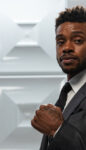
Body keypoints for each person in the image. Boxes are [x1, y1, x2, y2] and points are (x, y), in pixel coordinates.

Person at [31, 6, 86, 150]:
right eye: (60, 42)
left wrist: (57, 129)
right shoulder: (68, 93)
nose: (66, 48)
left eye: (78, 40)